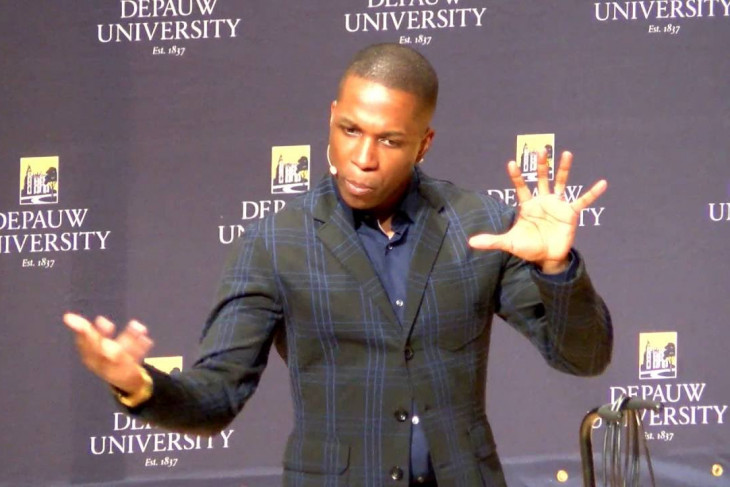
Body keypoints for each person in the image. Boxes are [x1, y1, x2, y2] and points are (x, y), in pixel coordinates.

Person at [64, 43, 612, 487]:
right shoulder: (276, 242)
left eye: (389, 140)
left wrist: (558, 267)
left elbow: (584, 358)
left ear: (424, 144)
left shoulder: (479, 224)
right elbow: (217, 396)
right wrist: (138, 384)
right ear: (332, 117)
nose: (363, 158)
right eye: (350, 130)